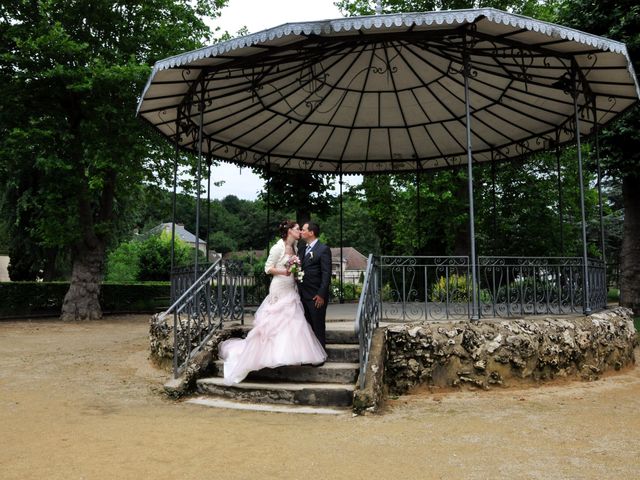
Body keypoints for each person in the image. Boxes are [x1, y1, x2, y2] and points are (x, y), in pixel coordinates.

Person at [218, 220, 327, 385]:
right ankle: (268, 355)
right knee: (275, 322)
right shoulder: (278, 247)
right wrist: (286, 271)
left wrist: (296, 274)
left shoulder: (298, 248)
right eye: (298, 229)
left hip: (292, 288)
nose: (300, 232)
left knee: (294, 321)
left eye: (301, 229)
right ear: (290, 231)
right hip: (279, 287)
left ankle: (290, 354)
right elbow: (267, 268)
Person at [299, 221, 332, 349]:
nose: (301, 232)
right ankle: (310, 355)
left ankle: (320, 356)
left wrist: (321, 294)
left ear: (311, 232)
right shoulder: (302, 250)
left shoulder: (323, 249)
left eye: (303, 229)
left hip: (316, 296)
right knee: (307, 327)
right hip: (302, 295)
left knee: (317, 326)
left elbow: (326, 273)